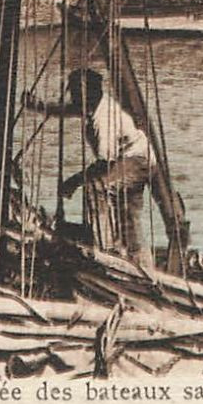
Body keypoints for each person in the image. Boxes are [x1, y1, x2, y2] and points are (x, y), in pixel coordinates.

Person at [57, 68, 152, 261]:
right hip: (132, 157)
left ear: (90, 94)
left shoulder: (103, 119)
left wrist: (73, 182)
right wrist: (38, 106)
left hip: (135, 160)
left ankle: (105, 251)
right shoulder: (93, 105)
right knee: (129, 216)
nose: (74, 99)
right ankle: (136, 257)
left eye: (77, 94)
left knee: (96, 189)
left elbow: (104, 164)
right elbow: (65, 109)